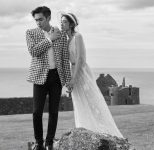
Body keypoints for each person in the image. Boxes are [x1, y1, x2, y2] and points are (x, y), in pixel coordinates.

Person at [61, 12, 124, 138]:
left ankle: (102, 133)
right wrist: (68, 78)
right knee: (79, 102)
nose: (62, 24)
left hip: (81, 71)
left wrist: (74, 79)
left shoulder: (78, 36)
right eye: (61, 22)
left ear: (71, 24)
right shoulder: (66, 40)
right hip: (72, 70)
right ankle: (84, 131)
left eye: (64, 22)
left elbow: (81, 59)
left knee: (91, 101)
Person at [26, 6, 71, 150]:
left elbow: (65, 59)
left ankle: (49, 142)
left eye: (40, 19)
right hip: (39, 77)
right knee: (36, 112)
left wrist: (68, 80)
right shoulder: (31, 33)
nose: (38, 22)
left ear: (48, 18)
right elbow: (33, 51)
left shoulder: (61, 34)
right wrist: (49, 39)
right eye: (36, 20)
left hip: (56, 77)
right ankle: (39, 142)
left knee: (53, 112)